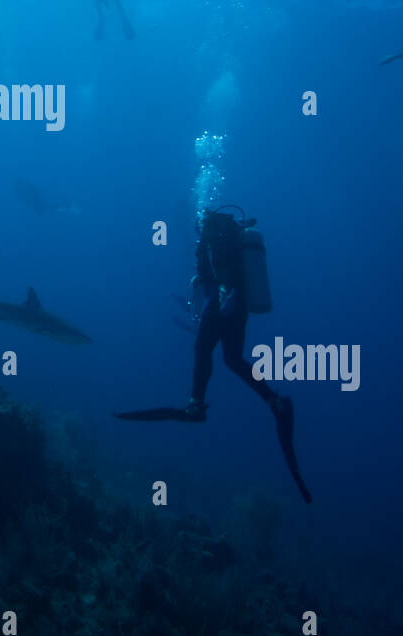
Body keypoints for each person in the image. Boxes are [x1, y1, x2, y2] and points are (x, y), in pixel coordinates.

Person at [115, 207, 313, 505]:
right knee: (233, 359)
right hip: (238, 303)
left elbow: (223, 272)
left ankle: (196, 405)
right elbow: (214, 273)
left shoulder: (213, 234)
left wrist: (221, 299)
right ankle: (274, 400)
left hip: (224, 300)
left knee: (202, 348)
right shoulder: (226, 234)